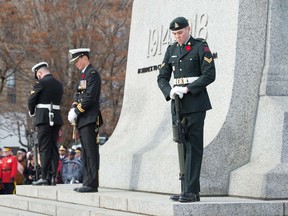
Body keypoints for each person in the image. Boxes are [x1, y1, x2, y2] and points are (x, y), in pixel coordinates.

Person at [157, 17, 216, 202]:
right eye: (174, 34)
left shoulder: (200, 46)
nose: (178, 37)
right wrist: (170, 90)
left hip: (195, 102)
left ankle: (190, 191)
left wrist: (188, 88)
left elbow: (209, 74)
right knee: (182, 144)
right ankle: (187, 190)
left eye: (180, 32)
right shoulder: (171, 49)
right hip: (178, 103)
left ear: (188, 29)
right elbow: (162, 77)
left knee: (193, 146)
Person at [68, 48, 102, 193]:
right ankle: (87, 181)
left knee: (91, 151)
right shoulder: (84, 75)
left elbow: (90, 97)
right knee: (85, 152)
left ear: (84, 58)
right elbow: (79, 95)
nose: (76, 64)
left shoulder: (92, 74)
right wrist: (73, 108)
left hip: (89, 118)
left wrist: (77, 110)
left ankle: (92, 183)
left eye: (77, 61)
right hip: (83, 119)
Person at [28, 62, 64, 186]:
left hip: (43, 118)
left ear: (39, 73)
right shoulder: (59, 84)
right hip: (56, 117)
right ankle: (54, 176)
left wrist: (32, 112)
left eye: (37, 75)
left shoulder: (40, 83)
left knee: (44, 147)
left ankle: (44, 177)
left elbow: (31, 100)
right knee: (54, 147)